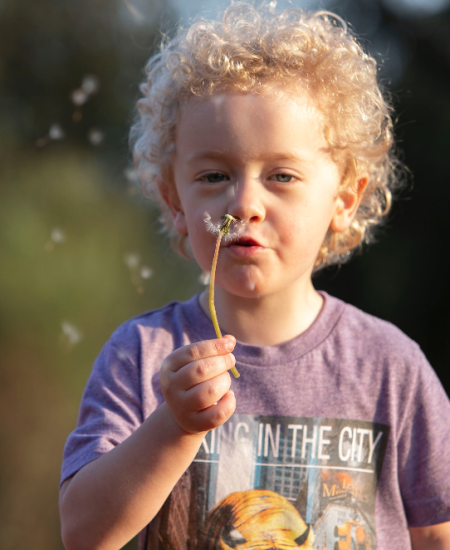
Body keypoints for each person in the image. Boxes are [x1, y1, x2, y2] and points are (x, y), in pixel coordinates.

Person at [59, 3, 450, 550]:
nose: (244, 203)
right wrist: (172, 426)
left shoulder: (391, 368)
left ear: (343, 199)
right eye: (215, 175)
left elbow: (436, 532)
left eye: (282, 176)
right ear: (174, 199)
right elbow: (82, 533)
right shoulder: (143, 355)